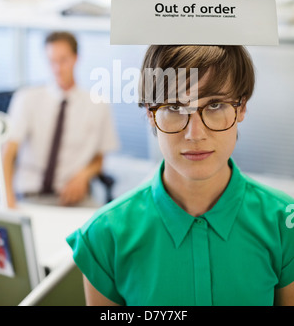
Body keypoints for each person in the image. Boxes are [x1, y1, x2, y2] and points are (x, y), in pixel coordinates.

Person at [67, 45, 294, 306]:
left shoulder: (285, 223)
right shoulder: (104, 236)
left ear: (241, 108)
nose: (195, 134)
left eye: (215, 104)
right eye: (174, 108)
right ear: (151, 113)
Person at [3, 31, 118, 208]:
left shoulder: (97, 104)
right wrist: (8, 200)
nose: (57, 68)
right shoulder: (26, 98)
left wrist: (84, 175)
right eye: (51, 61)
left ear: (76, 58)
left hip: (75, 198)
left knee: (102, 229)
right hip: (29, 197)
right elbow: (8, 153)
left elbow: (99, 159)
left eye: (63, 60)